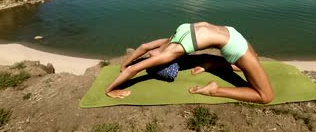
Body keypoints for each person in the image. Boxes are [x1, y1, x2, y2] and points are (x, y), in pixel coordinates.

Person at [105, 22, 274, 104]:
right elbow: (144, 47)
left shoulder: (170, 53)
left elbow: (134, 70)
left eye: (153, 57)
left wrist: (110, 89)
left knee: (265, 96)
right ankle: (213, 79)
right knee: (252, 64)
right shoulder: (174, 37)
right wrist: (124, 64)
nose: (151, 55)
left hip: (233, 46)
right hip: (231, 32)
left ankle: (213, 88)